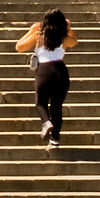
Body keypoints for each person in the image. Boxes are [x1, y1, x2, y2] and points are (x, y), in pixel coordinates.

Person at [17, 9, 75, 148]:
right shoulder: (65, 37)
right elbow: (74, 42)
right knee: (56, 106)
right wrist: (68, 28)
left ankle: (46, 122)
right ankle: (55, 140)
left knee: (40, 103)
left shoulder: (38, 35)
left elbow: (19, 47)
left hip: (44, 71)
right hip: (61, 71)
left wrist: (31, 31)